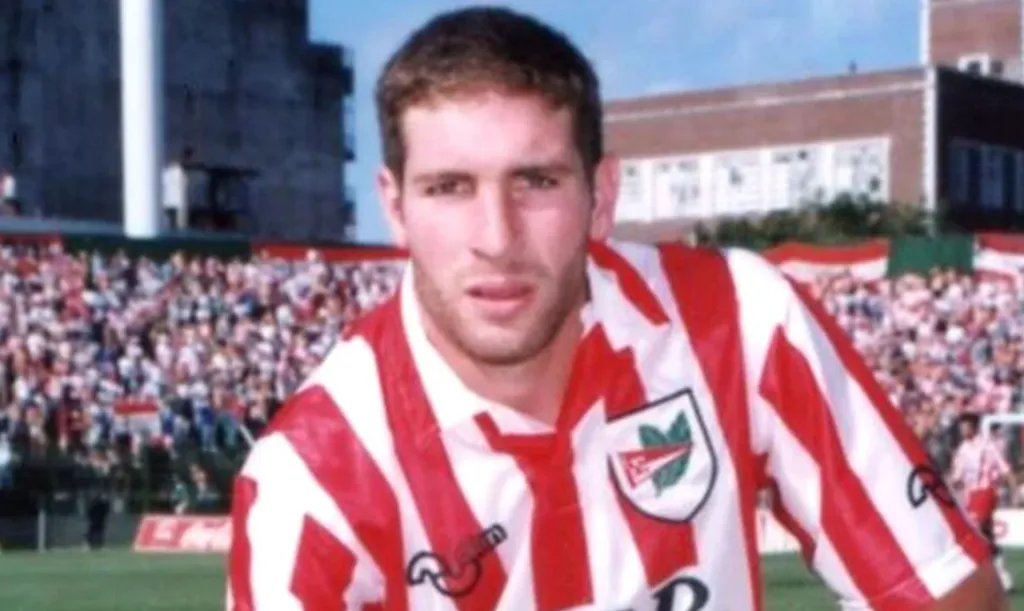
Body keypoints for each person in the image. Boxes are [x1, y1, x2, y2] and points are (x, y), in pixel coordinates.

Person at [227, 6, 1007, 610]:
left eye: (536, 181)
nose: (496, 238)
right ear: (395, 209)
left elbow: (941, 587)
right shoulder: (312, 480)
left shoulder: (737, 322)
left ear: (601, 197)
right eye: (450, 187)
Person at [949, 412, 1019, 592]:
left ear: (974, 427)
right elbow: (957, 477)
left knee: (978, 527)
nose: (962, 429)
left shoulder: (987, 446)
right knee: (986, 533)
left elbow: (1005, 468)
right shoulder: (962, 450)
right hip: (970, 495)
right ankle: (1000, 570)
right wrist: (954, 483)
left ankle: (990, 573)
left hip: (987, 491)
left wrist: (1015, 490)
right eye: (961, 426)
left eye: (966, 426)